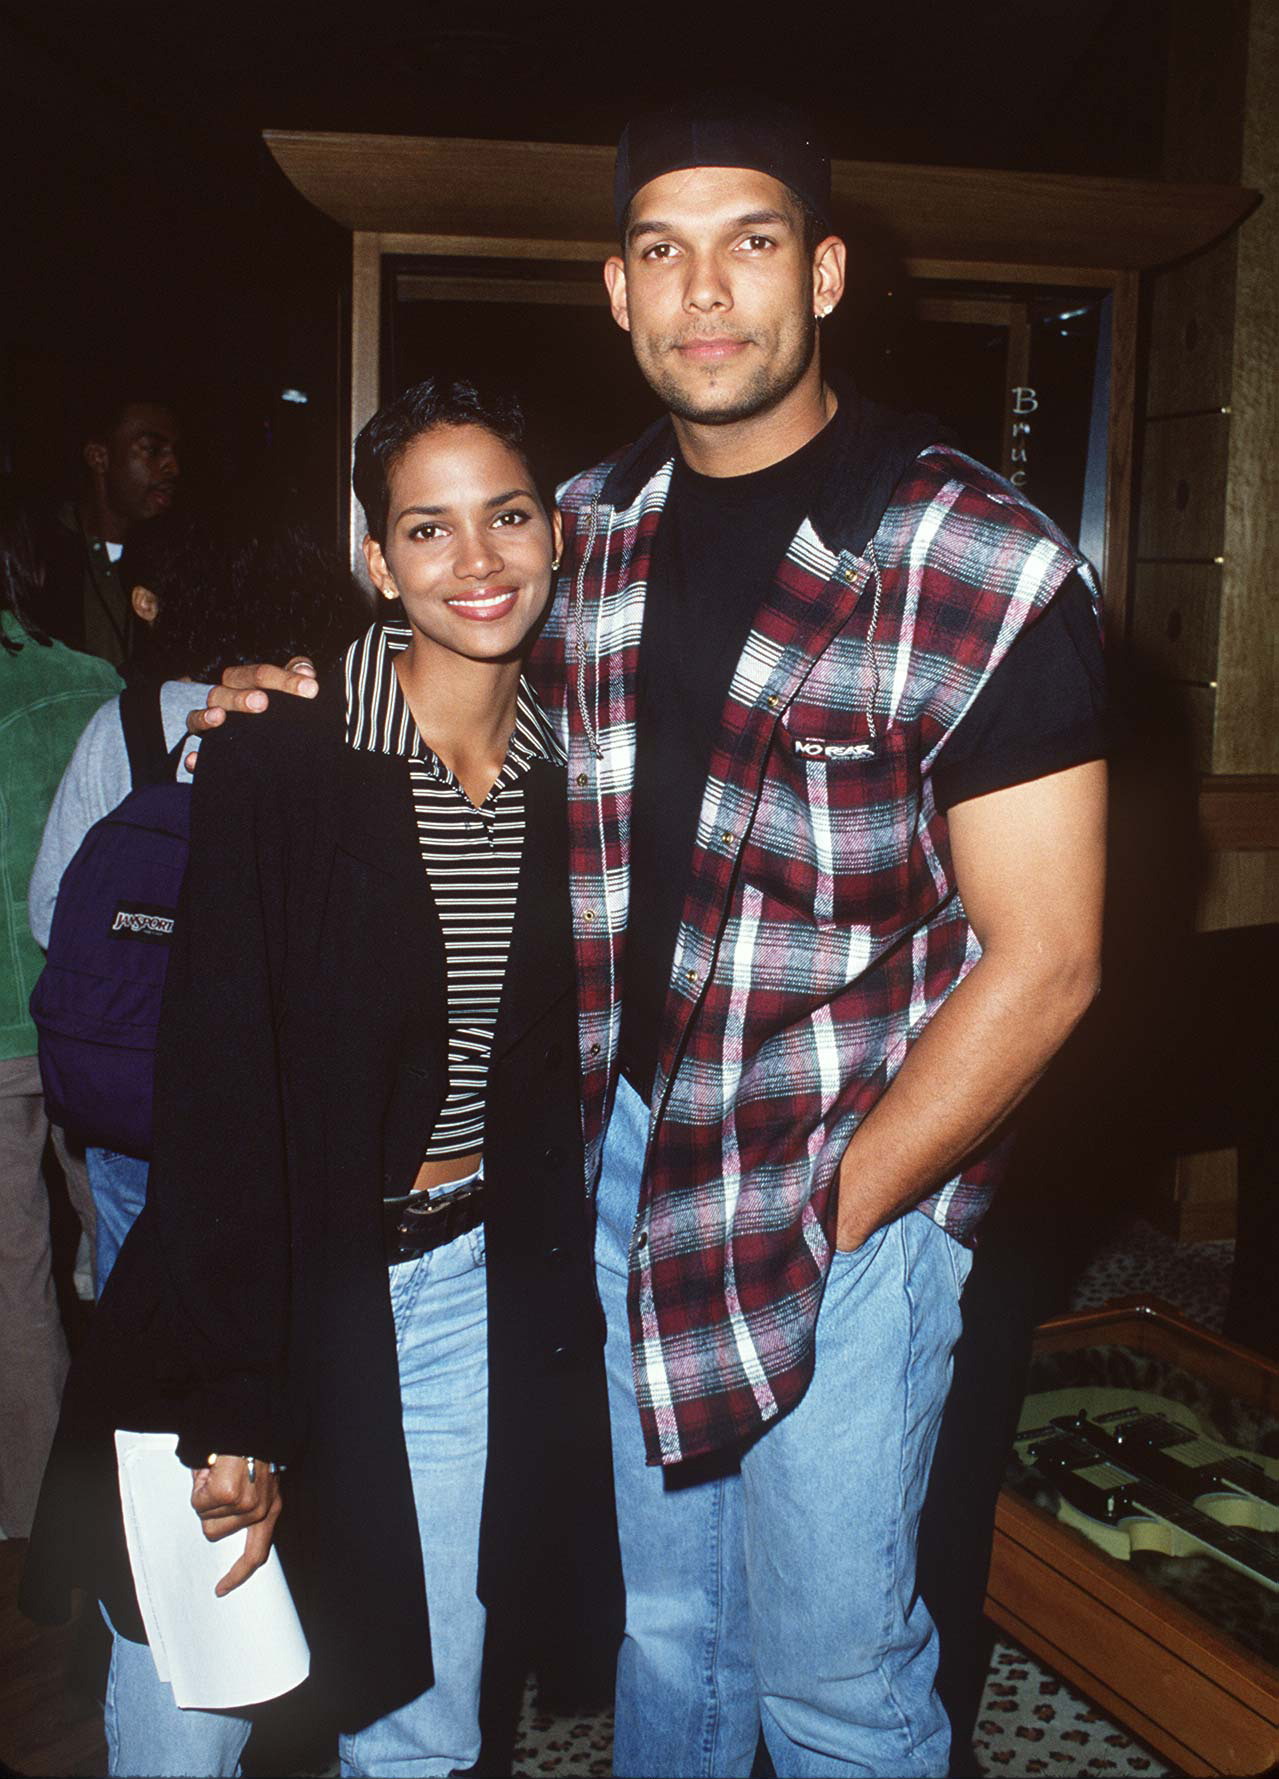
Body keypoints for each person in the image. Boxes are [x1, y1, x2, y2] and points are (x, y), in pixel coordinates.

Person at [192, 95, 1107, 1779]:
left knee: (835, 1673)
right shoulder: (585, 532)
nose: (702, 291)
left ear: (824, 273)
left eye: (748, 243)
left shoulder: (972, 556)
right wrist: (279, 696)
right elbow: (447, 642)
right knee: (665, 1636)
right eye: (660, 250)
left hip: (854, 1171)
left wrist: (842, 1203)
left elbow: (1045, 959)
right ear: (615, 292)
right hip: (623, 1167)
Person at [22, 380, 620, 1778]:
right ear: (377, 562)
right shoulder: (279, 756)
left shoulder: (578, 774)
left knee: (422, 1711)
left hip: (462, 1295)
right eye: (428, 527)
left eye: (508, 514)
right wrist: (235, 1396)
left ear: (554, 533)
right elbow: (221, 1092)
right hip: (267, 1282)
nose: (475, 560)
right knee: (194, 1703)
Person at [28, 509, 366, 1295]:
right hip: (279, 1090)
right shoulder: (331, 725)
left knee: (138, 1309)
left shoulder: (127, 723)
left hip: (135, 1087)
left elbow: (52, 911)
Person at [0, 491, 119, 1539]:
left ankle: (40, 1512)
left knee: (12, 1273)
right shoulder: (90, 684)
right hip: (89, 1021)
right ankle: (146, 1475)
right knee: (123, 1238)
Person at [27, 385, 180, 669]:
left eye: (174, 452)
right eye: (152, 449)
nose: (173, 466)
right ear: (99, 457)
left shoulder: (179, 558)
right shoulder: (35, 555)